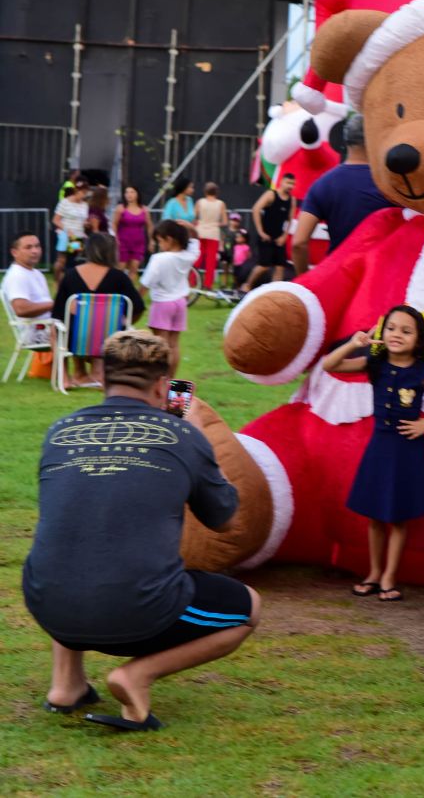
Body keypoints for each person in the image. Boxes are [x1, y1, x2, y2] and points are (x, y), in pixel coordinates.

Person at [23, 329, 260, 731]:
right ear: (163, 386)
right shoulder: (183, 434)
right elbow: (227, 520)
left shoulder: (59, 431)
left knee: (80, 539)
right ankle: (136, 676)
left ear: (101, 373)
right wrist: (199, 437)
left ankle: (65, 686)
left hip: (47, 603)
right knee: (249, 607)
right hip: (137, 612)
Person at [322, 304, 424, 602]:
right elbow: (329, 366)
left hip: (408, 452)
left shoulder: (422, 371)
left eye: (405, 330)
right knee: (375, 516)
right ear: (382, 332)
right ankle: (374, 573)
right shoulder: (375, 364)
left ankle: (390, 576)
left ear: (419, 339)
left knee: (398, 518)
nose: (396, 335)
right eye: (391, 328)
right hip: (380, 448)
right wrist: (355, 343)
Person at [292, 114, 394, 275]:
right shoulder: (393, 185)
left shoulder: (323, 184)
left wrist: (304, 280)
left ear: (345, 141)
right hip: (380, 276)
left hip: (338, 276)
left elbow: (299, 242)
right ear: (375, 139)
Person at [52, 233, 144, 388]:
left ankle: (66, 377)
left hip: (76, 339)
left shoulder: (71, 275)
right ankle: (100, 374)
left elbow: (58, 313)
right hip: (110, 338)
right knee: (102, 326)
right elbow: (138, 307)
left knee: (56, 330)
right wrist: (126, 322)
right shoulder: (119, 277)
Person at [140, 220, 200, 375]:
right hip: (180, 302)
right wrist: (190, 226)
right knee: (173, 345)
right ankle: (170, 381)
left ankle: (159, 380)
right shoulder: (188, 255)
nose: (159, 245)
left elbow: (146, 283)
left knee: (160, 345)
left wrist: (136, 300)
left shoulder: (159, 259)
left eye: (160, 241)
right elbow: (195, 239)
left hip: (162, 303)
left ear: (170, 239)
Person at [242, 174, 296, 290]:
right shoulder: (271, 194)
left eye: (292, 184)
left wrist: (284, 236)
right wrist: (260, 231)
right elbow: (256, 209)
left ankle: (272, 291)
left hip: (279, 238)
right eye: (288, 183)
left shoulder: (292, 200)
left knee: (280, 267)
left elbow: (289, 220)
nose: (290, 186)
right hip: (265, 236)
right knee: (263, 266)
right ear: (281, 182)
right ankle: (247, 286)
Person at [2, 231, 53, 321]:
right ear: (14, 252)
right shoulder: (16, 275)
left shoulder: (37, 273)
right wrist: (55, 305)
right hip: (40, 331)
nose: (35, 251)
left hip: (51, 326)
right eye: (28, 247)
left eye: (37, 246)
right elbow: (21, 309)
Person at [112, 185, 152, 280]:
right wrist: (115, 238)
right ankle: (117, 289)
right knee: (120, 267)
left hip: (138, 243)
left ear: (137, 194)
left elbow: (149, 225)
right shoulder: (121, 208)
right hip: (123, 242)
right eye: (127, 192)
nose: (129, 195)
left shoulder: (144, 210)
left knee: (134, 268)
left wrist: (151, 241)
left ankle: (129, 291)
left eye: (132, 192)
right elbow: (114, 224)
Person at [194, 183, 227, 291]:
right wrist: (216, 224)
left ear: (205, 191)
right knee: (211, 260)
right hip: (213, 233)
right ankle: (208, 284)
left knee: (198, 258)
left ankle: (192, 281)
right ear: (216, 192)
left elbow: (194, 218)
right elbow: (225, 222)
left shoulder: (200, 202)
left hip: (200, 232)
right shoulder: (220, 203)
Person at [53, 182, 91, 278]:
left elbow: (83, 220)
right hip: (65, 235)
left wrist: (86, 224)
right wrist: (66, 230)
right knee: (61, 260)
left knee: (72, 259)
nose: (83, 195)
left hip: (77, 236)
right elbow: (55, 220)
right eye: (82, 192)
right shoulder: (65, 202)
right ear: (76, 191)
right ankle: (57, 280)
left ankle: (68, 280)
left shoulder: (84, 205)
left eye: (85, 193)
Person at [219, 212, 242, 289]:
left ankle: (235, 283)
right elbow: (222, 239)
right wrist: (221, 247)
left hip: (235, 254)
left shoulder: (239, 232)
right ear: (229, 220)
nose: (234, 222)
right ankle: (223, 283)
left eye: (236, 220)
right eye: (232, 220)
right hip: (226, 252)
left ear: (239, 222)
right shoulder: (225, 230)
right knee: (225, 268)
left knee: (234, 270)